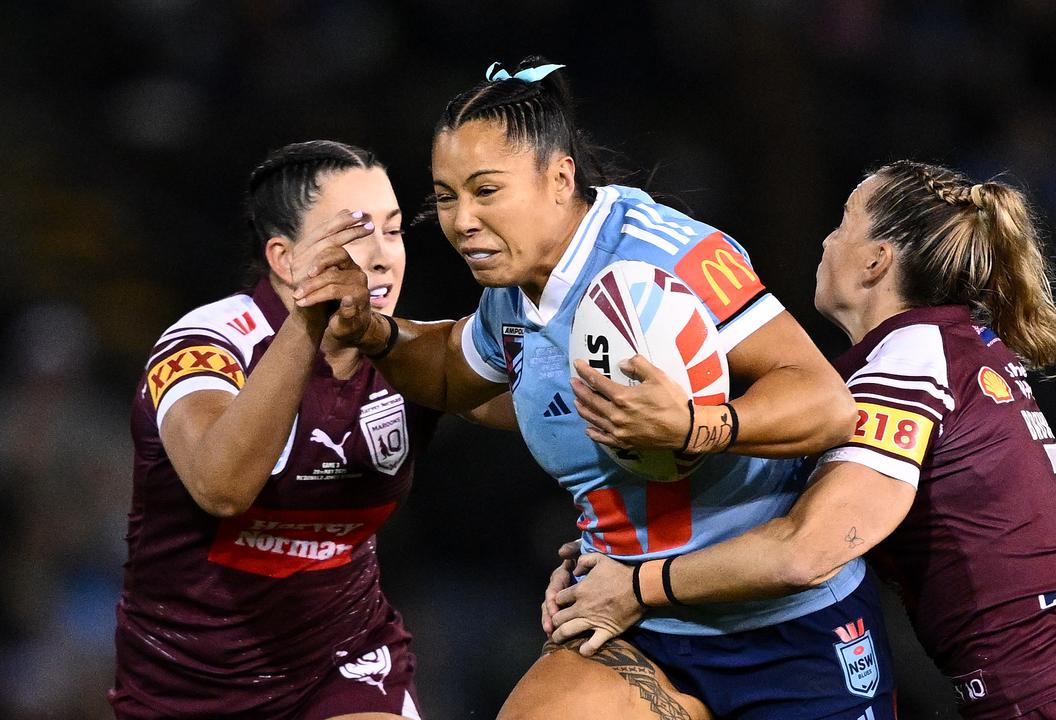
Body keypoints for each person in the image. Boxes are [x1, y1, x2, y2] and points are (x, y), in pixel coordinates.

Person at [295, 58, 897, 719]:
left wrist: (698, 427)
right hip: (635, 624)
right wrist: (375, 333)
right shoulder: (514, 292)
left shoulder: (669, 258)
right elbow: (448, 372)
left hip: (788, 628)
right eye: (444, 196)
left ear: (559, 179)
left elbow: (826, 403)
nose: (462, 220)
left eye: (485, 191)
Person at [545, 161, 1056, 719]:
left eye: (843, 225)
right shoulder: (951, 348)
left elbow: (808, 549)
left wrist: (638, 585)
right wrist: (619, 543)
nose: (824, 242)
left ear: (876, 261)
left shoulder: (908, 359)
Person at [112, 140, 434, 720]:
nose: (384, 257)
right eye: (356, 235)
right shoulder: (206, 346)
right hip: (183, 687)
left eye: (393, 230)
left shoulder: (412, 354)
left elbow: (551, 406)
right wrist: (311, 320)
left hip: (345, 664)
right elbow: (222, 486)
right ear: (286, 261)